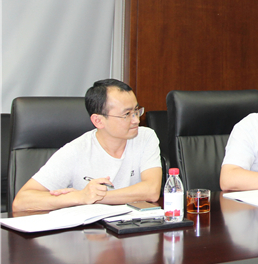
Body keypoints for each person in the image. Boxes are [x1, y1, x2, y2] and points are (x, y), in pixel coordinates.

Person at [12, 79, 162, 213]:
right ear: (98, 121)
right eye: (127, 114)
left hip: (133, 228)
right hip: (91, 232)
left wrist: (94, 197)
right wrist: (80, 197)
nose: (136, 120)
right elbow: (21, 202)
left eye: (136, 110)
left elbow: (152, 191)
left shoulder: (145, 137)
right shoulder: (75, 151)